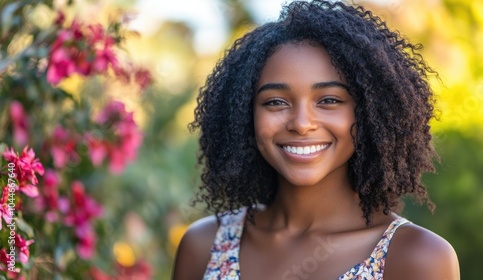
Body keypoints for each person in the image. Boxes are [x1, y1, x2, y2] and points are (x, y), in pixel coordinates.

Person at [173, 1, 460, 279]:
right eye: (275, 102)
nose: (301, 123)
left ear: (371, 112)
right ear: (245, 114)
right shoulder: (204, 246)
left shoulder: (417, 257)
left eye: (329, 100)